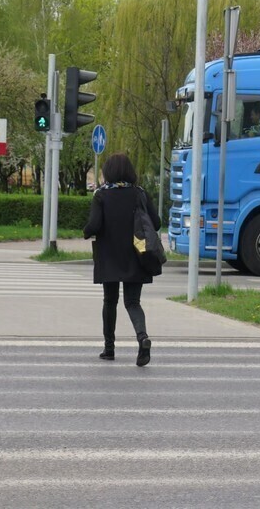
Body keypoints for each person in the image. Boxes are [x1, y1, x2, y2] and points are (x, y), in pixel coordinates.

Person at [83, 153, 161, 366]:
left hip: (109, 256)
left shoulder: (101, 195)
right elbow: (156, 222)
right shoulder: (140, 194)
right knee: (133, 302)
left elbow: (95, 225)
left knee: (110, 301)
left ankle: (109, 349)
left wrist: (86, 231)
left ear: (108, 172)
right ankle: (142, 338)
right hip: (137, 255)